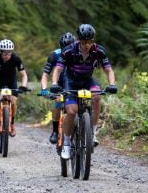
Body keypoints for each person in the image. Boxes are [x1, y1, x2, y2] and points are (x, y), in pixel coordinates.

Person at [50, 24, 117, 159]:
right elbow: (57, 70)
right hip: (71, 82)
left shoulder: (99, 51)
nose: (87, 45)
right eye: (84, 42)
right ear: (79, 40)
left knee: (97, 97)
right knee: (71, 111)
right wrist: (54, 84)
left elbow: (108, 70)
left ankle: (92, 132)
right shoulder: (69, 50)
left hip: (88, 81)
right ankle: (67, 144)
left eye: (90, 41)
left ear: (93, 40)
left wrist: (112, 84)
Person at [0, 38, 28, 136]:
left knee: (13, 101)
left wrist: (23, 85)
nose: (7, 55)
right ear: (1, 52)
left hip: (11, 81)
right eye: (4, 53)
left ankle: (11, 124)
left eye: (9, 53)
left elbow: (23, 75)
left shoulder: (16, 59)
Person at [40, 31, 76, 144]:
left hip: (74, 83)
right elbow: (45, 75)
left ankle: (83, 127)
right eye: (64, 48)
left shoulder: (79, 55)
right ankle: (55, 131)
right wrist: (44, 89)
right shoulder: (54, 55)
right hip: (59, 85)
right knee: (58, 102)